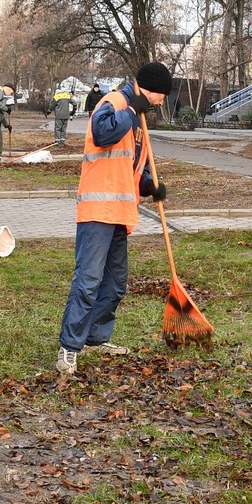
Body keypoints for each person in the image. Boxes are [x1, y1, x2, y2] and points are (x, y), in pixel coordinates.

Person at [54, 62, 173, 376]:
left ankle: (95, 337)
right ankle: (69, 348)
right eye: (161, 95)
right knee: (88, 282)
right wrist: (131, 111)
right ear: (149, 89)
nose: (162, 102)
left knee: (116, 284)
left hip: (120, 213)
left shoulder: (139, 120)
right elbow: (102, 134)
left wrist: (150, 185)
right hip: (97, 212)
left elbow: (132, 168)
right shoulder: (115, 105)